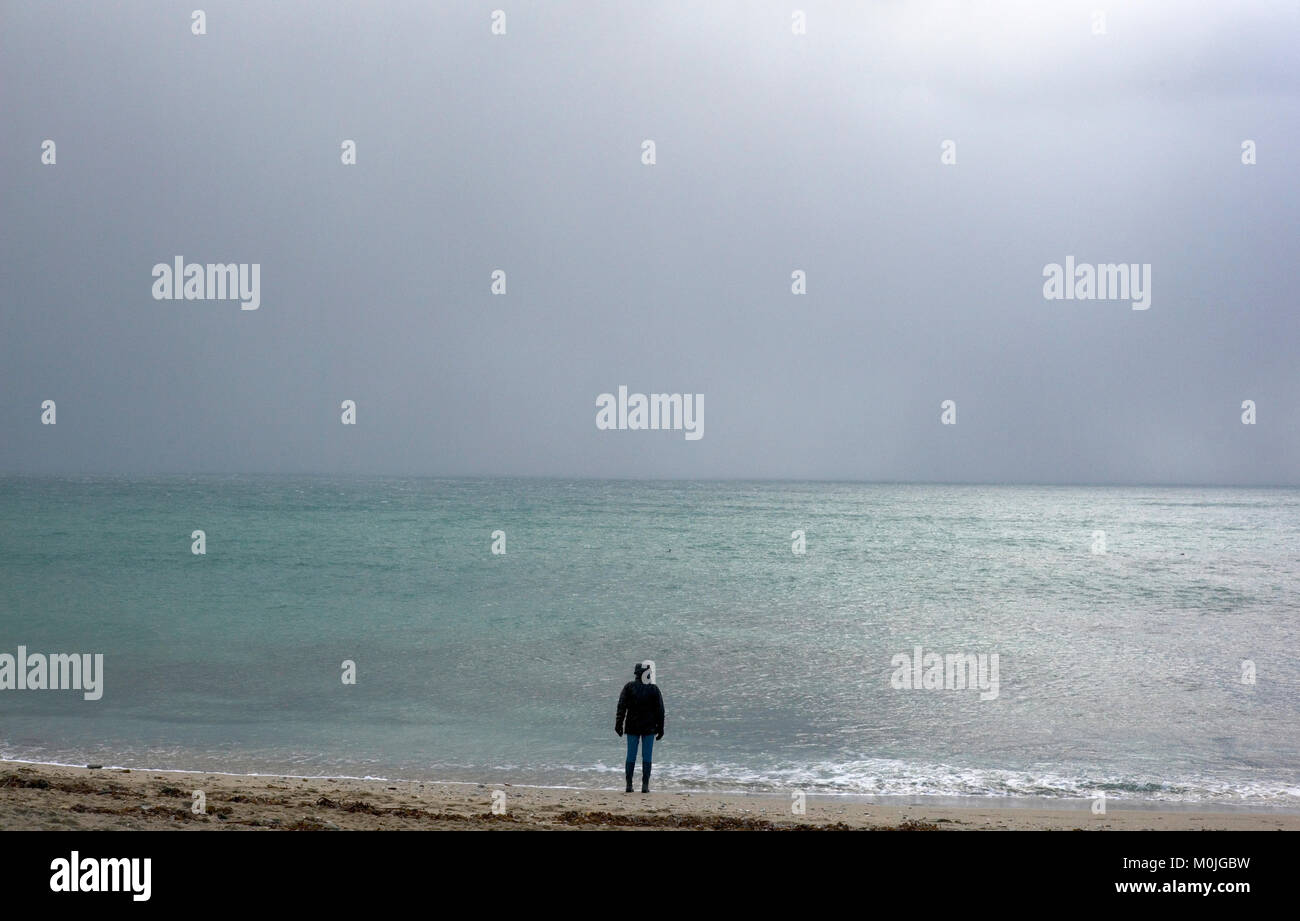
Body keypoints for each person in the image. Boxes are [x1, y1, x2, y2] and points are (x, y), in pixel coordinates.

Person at [615, 662, 665, 793]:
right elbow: (660, 710)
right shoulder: (654, 689)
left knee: (631, 755)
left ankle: (629, 785)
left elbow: (621, 707)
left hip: (632, 726)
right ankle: (645, 785)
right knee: (647, 756)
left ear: (636, 674)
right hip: (649, 728)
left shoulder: (629, 687)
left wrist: (618, 724)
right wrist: (661, 728)